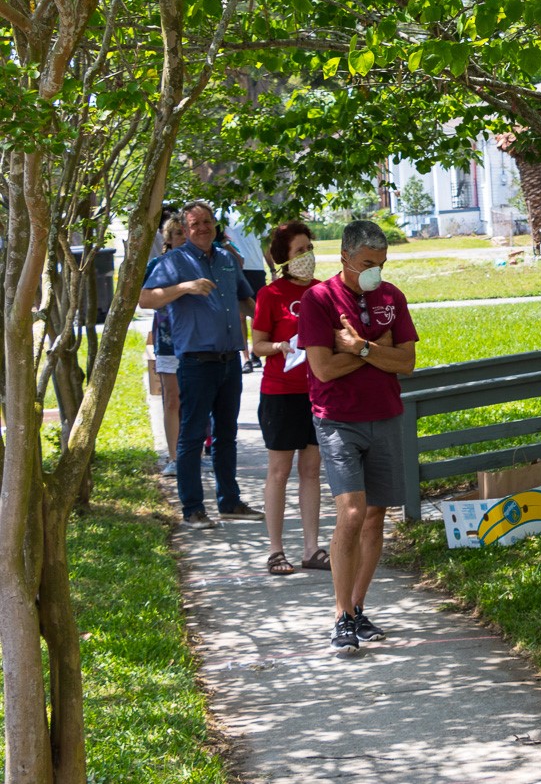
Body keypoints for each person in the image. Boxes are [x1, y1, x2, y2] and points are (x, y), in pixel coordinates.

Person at [296, 220, 418, 654]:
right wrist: (378, 351)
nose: (375, 272)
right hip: (338, 420)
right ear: (344, 257)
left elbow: (407, 362)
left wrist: (360, 347)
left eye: (381, 263)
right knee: (351, 512)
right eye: (367, 264)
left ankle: (359, 608)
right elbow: (324, 369)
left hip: (385, 415)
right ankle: (341, 615)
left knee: (375, 515)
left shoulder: (392, 297)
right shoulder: (318, 299)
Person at [140, 200, 264, 528]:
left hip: (229, 360)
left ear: (214, 224)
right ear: (185, 228)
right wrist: (185, 287)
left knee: (226, 435)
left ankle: (230, 502)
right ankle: (193, 508)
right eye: (194, 225)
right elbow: (146, 298)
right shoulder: (173, 261)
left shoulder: (226, 259)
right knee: (192, 436)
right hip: (196, 362)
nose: (202, 229)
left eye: (206, 222)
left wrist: (271, 321)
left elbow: (244, 300)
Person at [251, 222, 327, 575]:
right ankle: (276, 550)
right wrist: (279, 346)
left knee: (311, 471)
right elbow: (257, 344)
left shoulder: (323, 291)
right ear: (284, 257)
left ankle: (312, 549)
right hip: (280, 393)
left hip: (317, 391)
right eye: (299, 251)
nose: (307, 256)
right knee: (279, 471)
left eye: (309, 248)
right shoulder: (271, 294)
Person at [145, 215, 185, 476]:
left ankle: (194, 454)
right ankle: (174, 457)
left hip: (199, 343)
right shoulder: (158, 265)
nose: (184, 237)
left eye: (186, 232)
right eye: (178, 233)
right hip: (168, 340)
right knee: (172, 400)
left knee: (195, 401)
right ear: (168, 239)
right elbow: (147, 299)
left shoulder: (204, 262)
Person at [226, 216, 270, 371]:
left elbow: (265, 244)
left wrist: (272, 268)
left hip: (257, 269)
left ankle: (255, 353)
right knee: (240, 316)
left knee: (257, 313)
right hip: (237, 269)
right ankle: (245, 358)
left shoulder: (257, 214)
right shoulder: (223, 214)